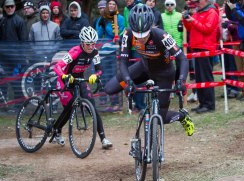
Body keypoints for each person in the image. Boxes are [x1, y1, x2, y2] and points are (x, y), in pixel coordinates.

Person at [104, 4, 195, 136]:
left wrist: (180, 80)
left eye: (145, 35)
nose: (141, 38)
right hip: (144, 69)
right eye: (138, 35)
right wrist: (128, 81)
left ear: (150, 27)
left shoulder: (161, 35)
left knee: (160, 118)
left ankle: (182, 116)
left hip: (164, 74)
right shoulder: (128, 34)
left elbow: (182, 58)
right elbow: (123, 61)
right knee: (110, 88)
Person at [53, 26, 113, 149]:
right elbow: (57, 66)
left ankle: (103, 139)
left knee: (92, 106)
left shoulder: (95, 52)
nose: (91, 47)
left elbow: (99, 70)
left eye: (93, 44)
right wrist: (64, 76)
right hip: (65, 80)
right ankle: (56, 130)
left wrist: (95, 75)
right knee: (69, 108)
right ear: (82, 42)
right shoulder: (75, 52)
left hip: (79, 79)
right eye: (88, 44)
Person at [182, 0, 220, 114]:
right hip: (197, 47)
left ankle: (209, 104)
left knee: (206, 77)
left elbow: (207, 29)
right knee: (199, 77)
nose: (197, 4)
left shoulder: (212, 12)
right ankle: (203, 103)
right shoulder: (199, 12)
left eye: (198, 1)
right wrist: (186, 19)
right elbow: (191, 28)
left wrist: (193, 20)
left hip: (206, 48)